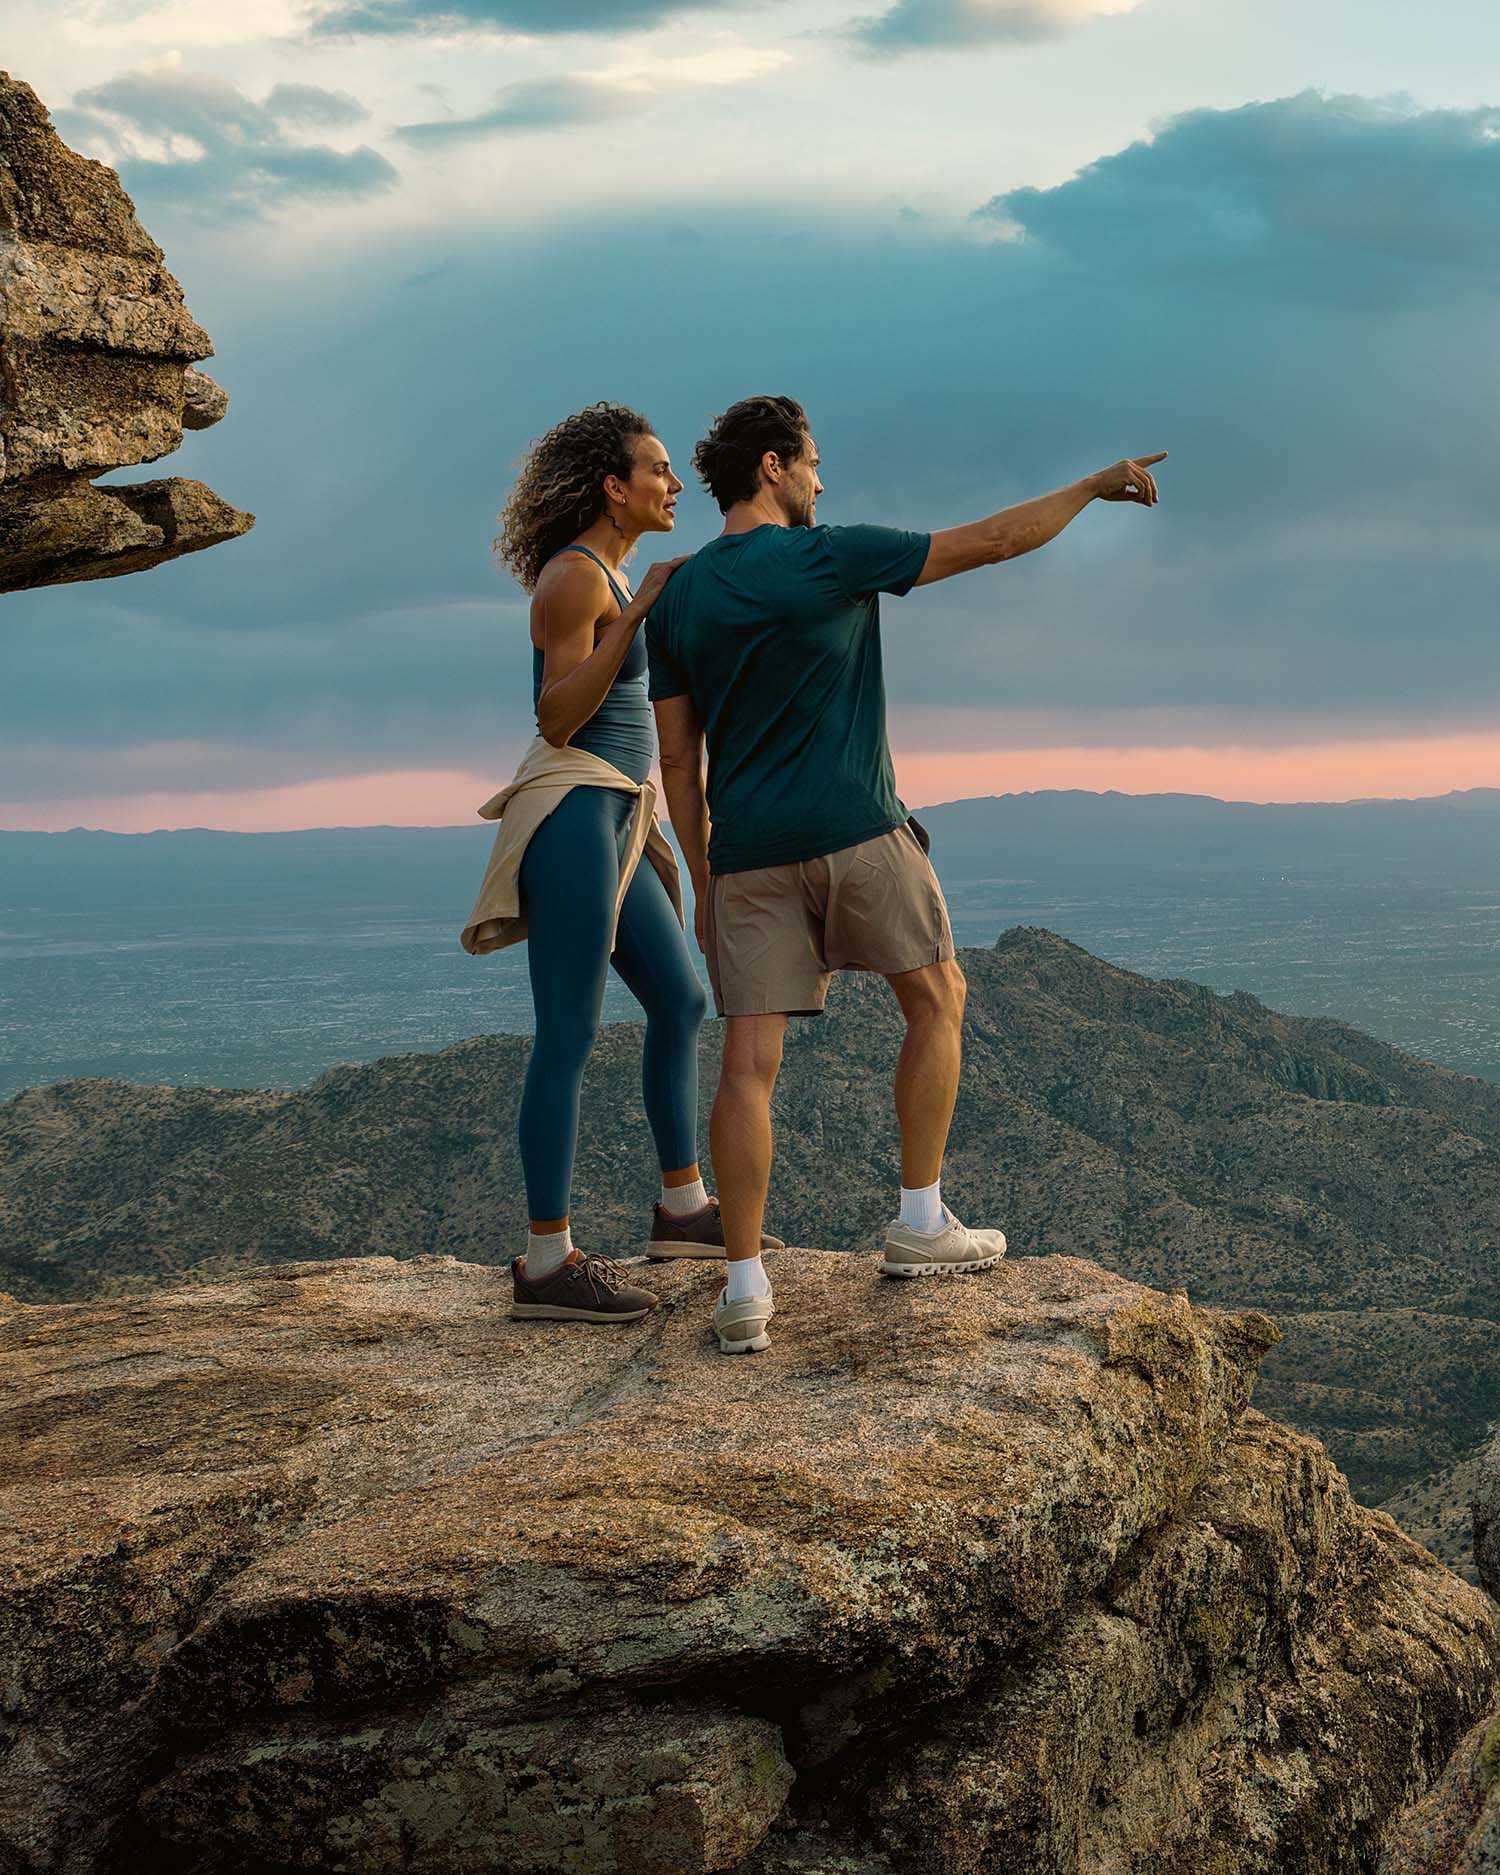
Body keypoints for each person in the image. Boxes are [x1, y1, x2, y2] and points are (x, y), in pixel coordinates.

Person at [646, 394, 1165, 1355]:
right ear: (772, 467)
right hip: (859, 827)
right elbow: (997, 541)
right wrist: (1095, 485)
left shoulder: (675, 594)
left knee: (748, 1065)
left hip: (748, 855)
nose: (820, 479)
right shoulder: (830, 554)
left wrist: (710, 875)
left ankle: (746, 1289)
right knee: (936, 996)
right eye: (811, 462)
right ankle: (920, 1221)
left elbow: (678, 762)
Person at [461, 402, 782, 1328]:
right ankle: (546, 1261)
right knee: (567, 1029)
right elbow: (558, 716)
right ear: (614, 486)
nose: (675, 485)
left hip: (617, 815)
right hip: (571, 811)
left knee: (681, 999)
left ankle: (681, 1209)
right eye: (658, 471)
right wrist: (636, 608)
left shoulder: (607, 572)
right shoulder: (574, 579)